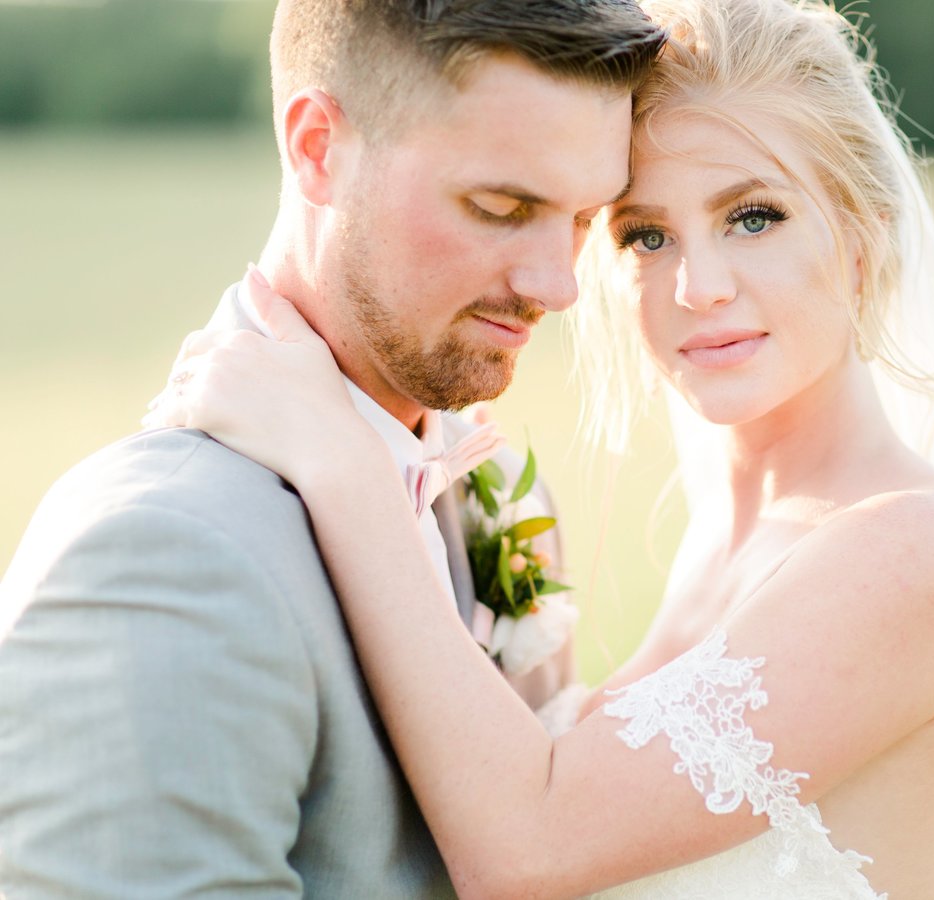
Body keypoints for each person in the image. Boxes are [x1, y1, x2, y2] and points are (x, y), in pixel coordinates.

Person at [156, 0, 934, 898]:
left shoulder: (922, 553)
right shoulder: (730, 534)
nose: (699, 287)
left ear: (864, 235)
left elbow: (528, 848)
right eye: (646, 235)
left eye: (754, 217)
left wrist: (339, 462)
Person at [0, 2, 664, 897]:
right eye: (501, 207)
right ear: (318, 147)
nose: (557, 283)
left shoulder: (488, 478)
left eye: (584, 219)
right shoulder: (158, 554)